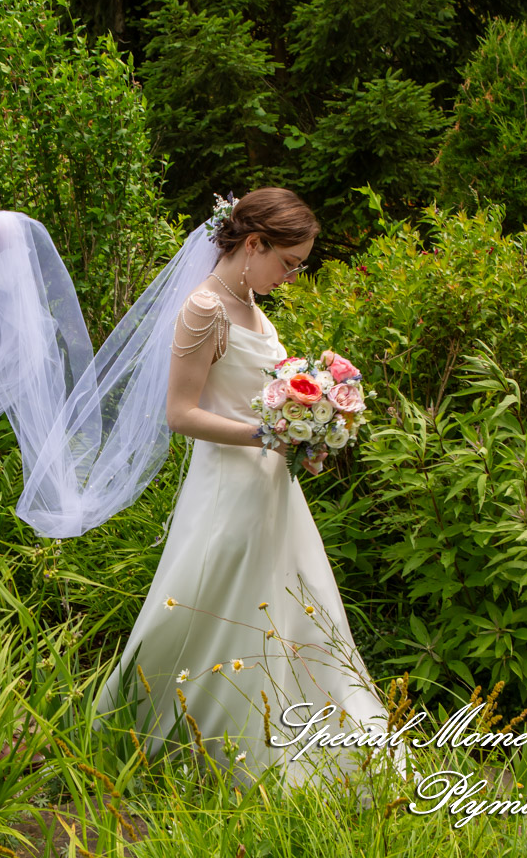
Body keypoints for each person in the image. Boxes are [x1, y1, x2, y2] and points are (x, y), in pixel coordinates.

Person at [93, 187, 404, 786]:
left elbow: (267, 403)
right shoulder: (204, 308)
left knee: (292, 611)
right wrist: (269, 435)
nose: (290, 277)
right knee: (209, 607)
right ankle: (169, 737)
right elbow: (180, 414)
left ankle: (299, 735)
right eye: (287, 263)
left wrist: (309, 437)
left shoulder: (252, 305)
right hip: (227, 490)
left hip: (272, 491)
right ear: (253, 243)